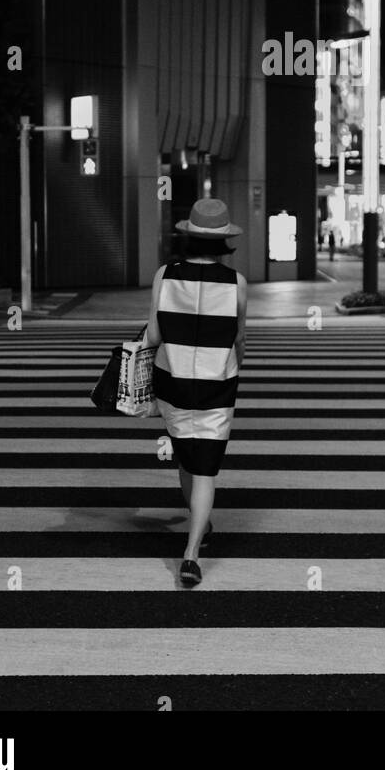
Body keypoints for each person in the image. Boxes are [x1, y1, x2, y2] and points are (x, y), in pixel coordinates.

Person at [146, 198, 246, 588]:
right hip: (217, 384)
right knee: (206, 466)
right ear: (224, 242)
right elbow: (239, 340)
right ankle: (191, 555)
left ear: (189, 237)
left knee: (186, 458)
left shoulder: (165, 275)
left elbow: (154, 335)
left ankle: (197, 524)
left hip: (172, 380)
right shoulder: (236, 284)